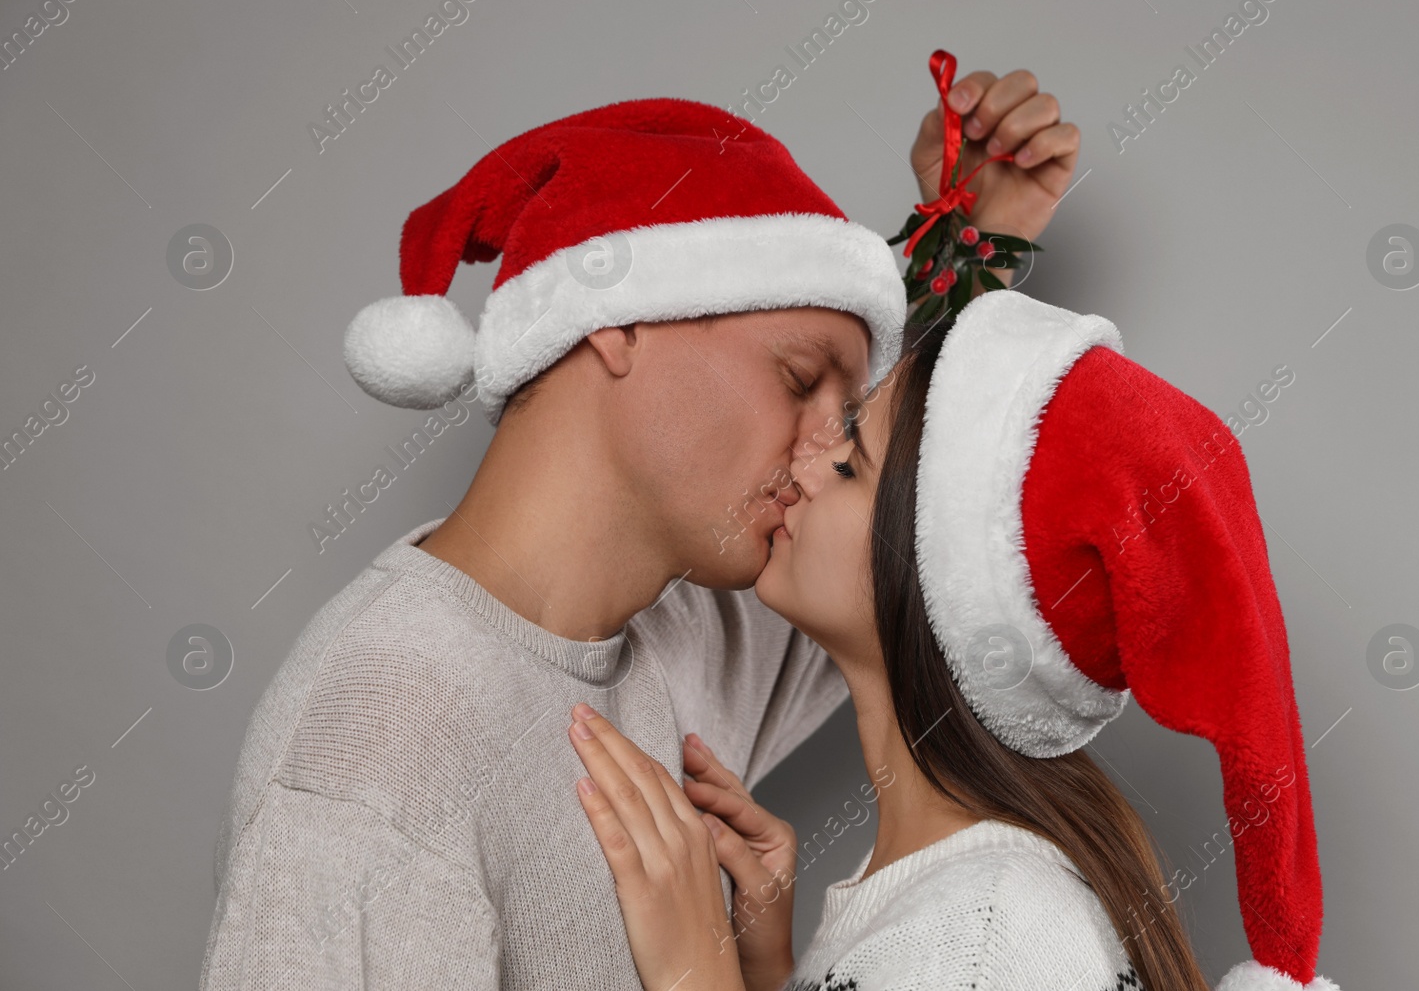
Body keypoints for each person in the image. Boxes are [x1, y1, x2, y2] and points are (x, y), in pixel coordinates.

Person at [198, 66, 1083, 990]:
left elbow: (876, 548)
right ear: (617, 318)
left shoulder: (689, 627)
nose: (828, 450)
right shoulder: (374, 746)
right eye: (797, 380)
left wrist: (976, 243)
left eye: (849, 413)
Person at [567, 291, 1342, 991]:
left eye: (848, 462)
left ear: (940, 575)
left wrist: (694, 977)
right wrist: (770, 971)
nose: (802, 462)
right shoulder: (957, 902)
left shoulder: (988, 934)